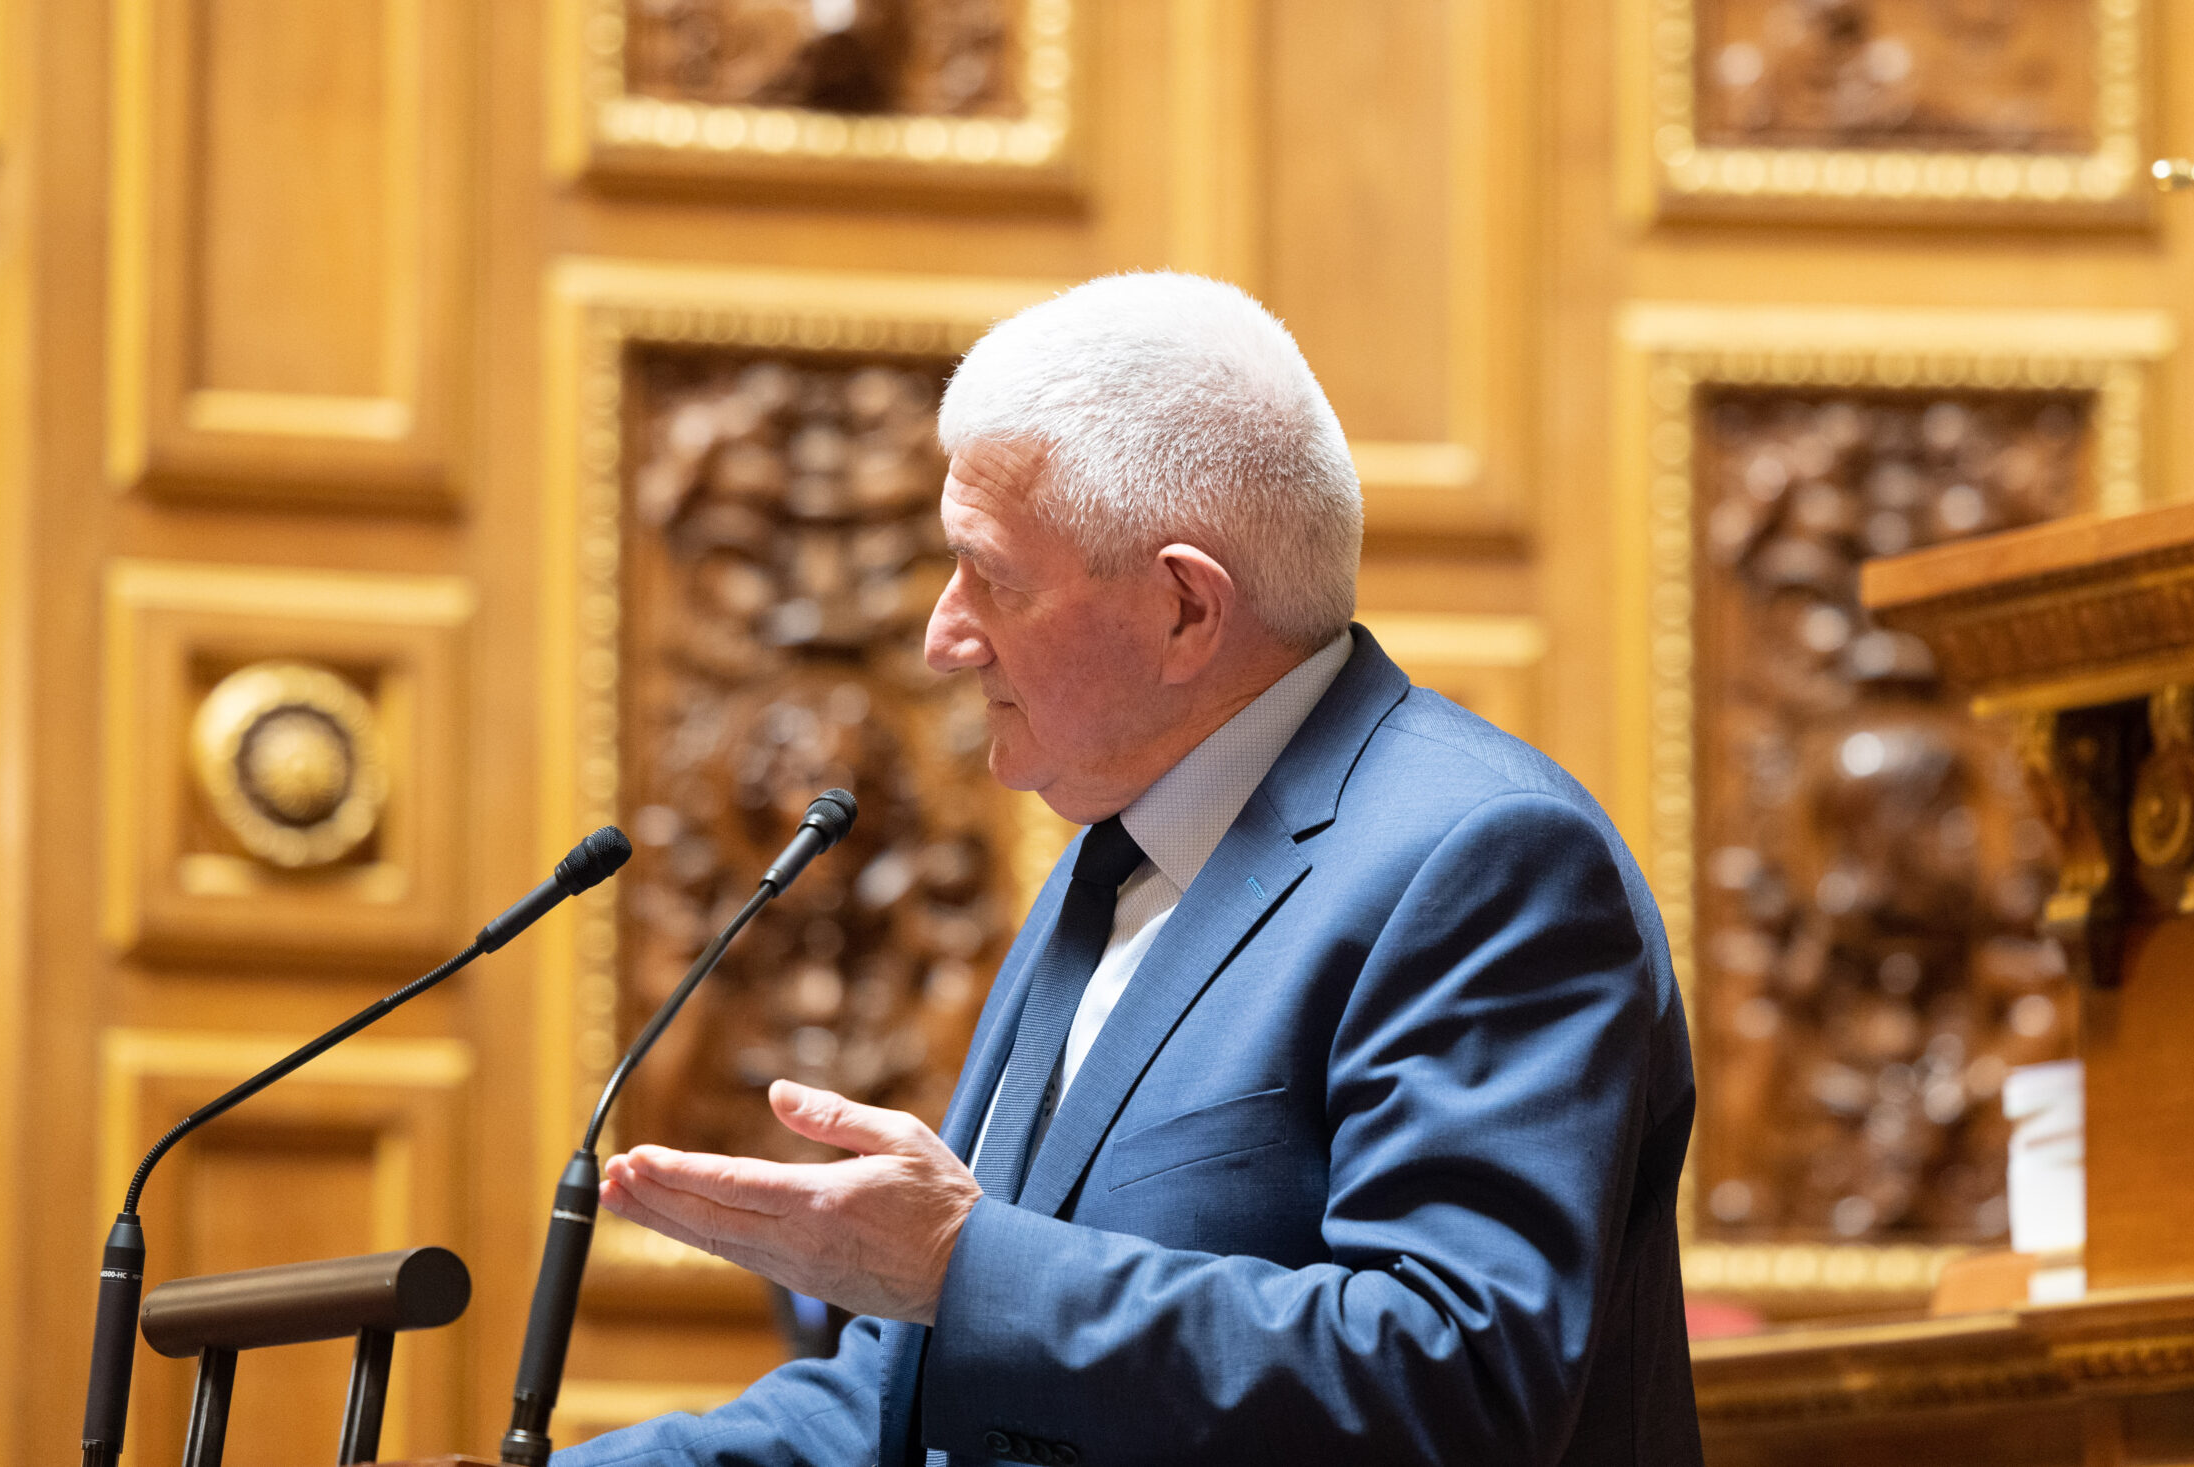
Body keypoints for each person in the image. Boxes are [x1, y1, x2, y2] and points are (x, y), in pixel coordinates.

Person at [562, 272, 1701, 1467]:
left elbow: (1458, 1382)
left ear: (1184, 610)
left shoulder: (1483, 859)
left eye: (991, 577)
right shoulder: (1115, 857)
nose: (942, 637)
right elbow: (913, 1395)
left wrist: (959, 1264)